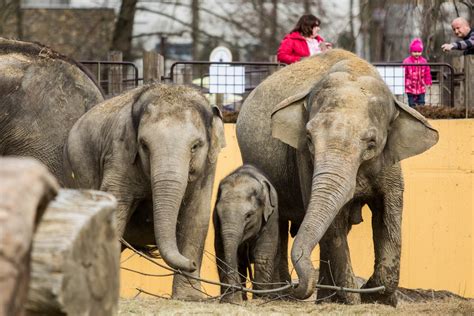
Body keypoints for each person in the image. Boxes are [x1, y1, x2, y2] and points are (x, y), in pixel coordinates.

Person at [403, 38, 432, 107]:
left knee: (421, 102)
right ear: (411, 51)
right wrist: (403, 83)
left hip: (421, 86)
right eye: (415, 51)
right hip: (410, 86)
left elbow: (427, 72)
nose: (417, 53)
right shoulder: (407, 61)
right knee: (411, 103)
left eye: (419, 52)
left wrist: (428, 82)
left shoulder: (423, 61)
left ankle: (420, 113)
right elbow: (403, 73)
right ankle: (412, 113)